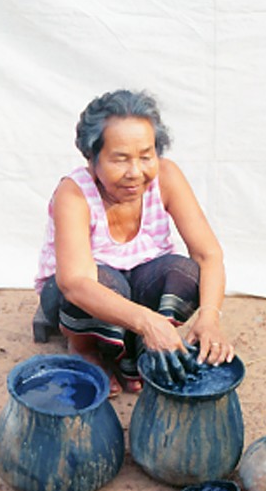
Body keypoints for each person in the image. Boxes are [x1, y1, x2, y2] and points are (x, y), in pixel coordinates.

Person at [35, 89, 234, 397]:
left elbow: (208, 254)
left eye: (146, 156)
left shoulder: (166, 177)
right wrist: (146, 320)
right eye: (120, 159)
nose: (135, 172)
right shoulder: (74, 194)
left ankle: (138, 346)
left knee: (186, 273)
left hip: (138, 283)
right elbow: (74, 283)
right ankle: (84, 348)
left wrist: (209, 318)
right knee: (104, 283)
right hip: (77, 293)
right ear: (92, 158)